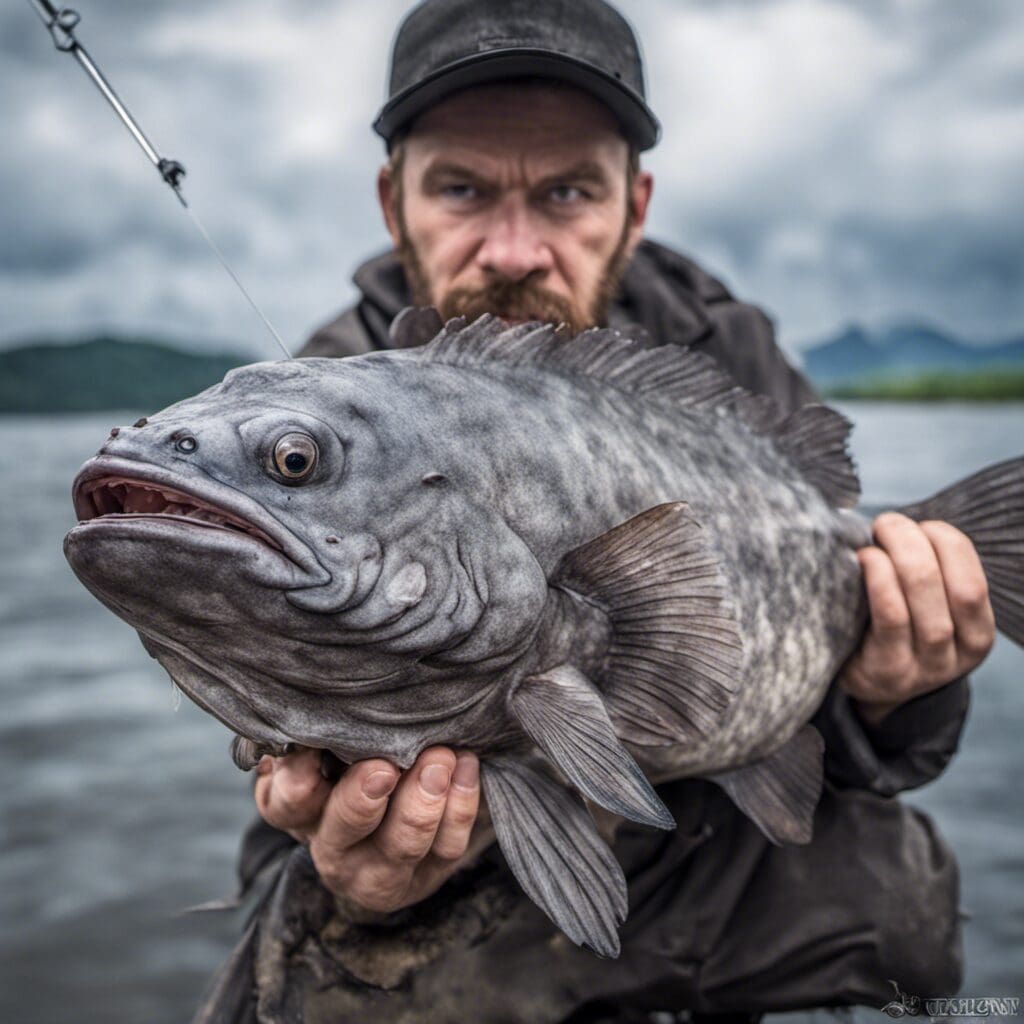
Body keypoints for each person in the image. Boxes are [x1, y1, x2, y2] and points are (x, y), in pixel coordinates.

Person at [213, 1, 996, 1020]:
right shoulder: (304, 426)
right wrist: (356, 878)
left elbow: (848, 715)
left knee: (890, 888)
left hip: (717, 846)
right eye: (460, 188)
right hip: (480, 871)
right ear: (391, 201)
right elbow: (275, 756)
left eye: (567, 192)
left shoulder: (729, 354)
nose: (514, 249)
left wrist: (900, 693)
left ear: (634, 204)